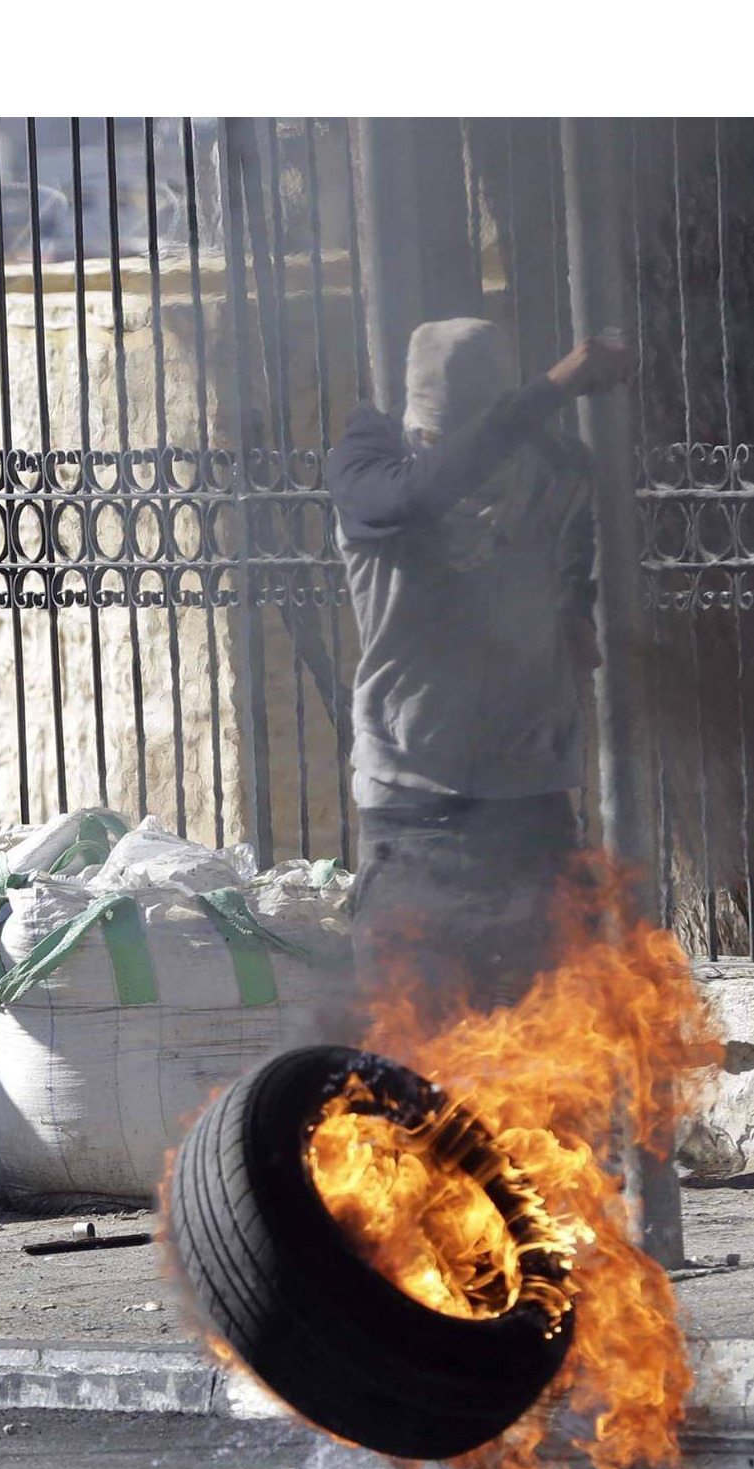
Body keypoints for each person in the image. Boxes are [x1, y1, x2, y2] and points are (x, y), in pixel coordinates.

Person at [327, 318, 631, 1024]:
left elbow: (575, 535)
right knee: (415, 1040)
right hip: (412, 803)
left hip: (530, 796)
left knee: (548, 1038)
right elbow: (422, 493)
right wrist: (550, 389)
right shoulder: (373, 474)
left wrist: (574, 607)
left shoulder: (554, 467)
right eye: (442, 435)